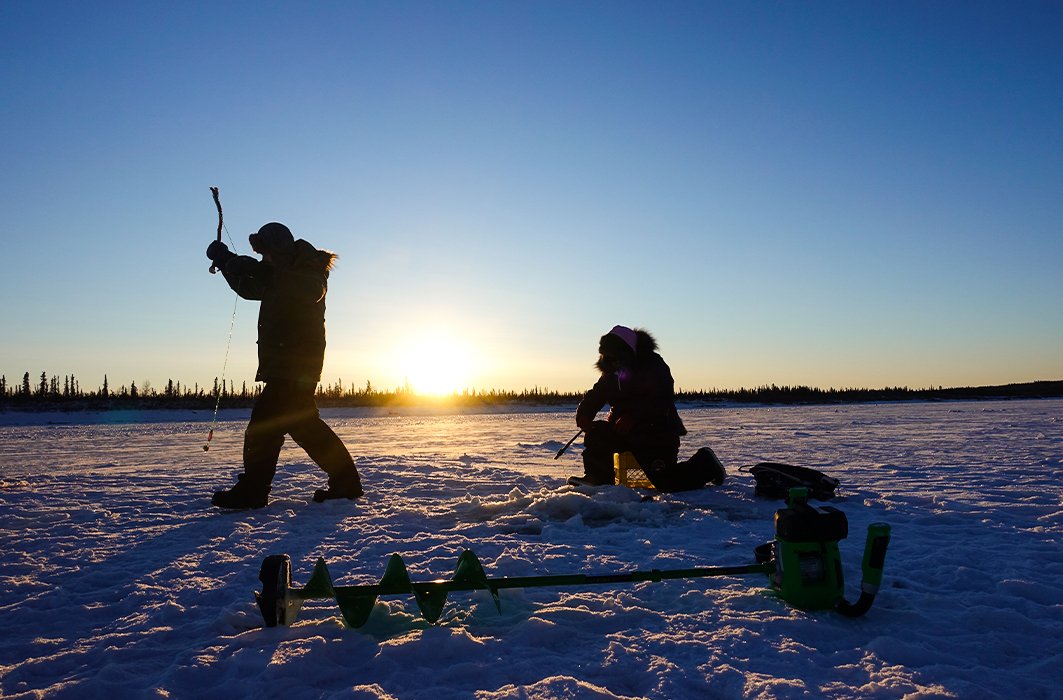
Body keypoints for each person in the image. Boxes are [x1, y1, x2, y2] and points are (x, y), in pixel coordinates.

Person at [206, 222, 363, 509]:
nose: (264, 260)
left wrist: (261, 269)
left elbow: (307, 289)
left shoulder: (309, 270)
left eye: (266, 254)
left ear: (278, 251)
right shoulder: (278, 273)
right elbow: (250, 287)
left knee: (264, 427)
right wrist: (226, 262)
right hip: (284, 365)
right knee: (303, 425)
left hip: (296, 366)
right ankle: (346, 481)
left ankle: (254, 490)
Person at [570, 325, 725, 491]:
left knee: (659, 484)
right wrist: (584, 414)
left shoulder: (654, 366)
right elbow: (596, 395)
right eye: (610, 358)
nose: (614, 362)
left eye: (617, 357)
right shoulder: (611, 373)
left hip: (657, 436)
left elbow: (661, 398)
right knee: (598, 432)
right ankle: (597, 479)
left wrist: (633, 417)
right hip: (623, 436)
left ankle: (705, 464)